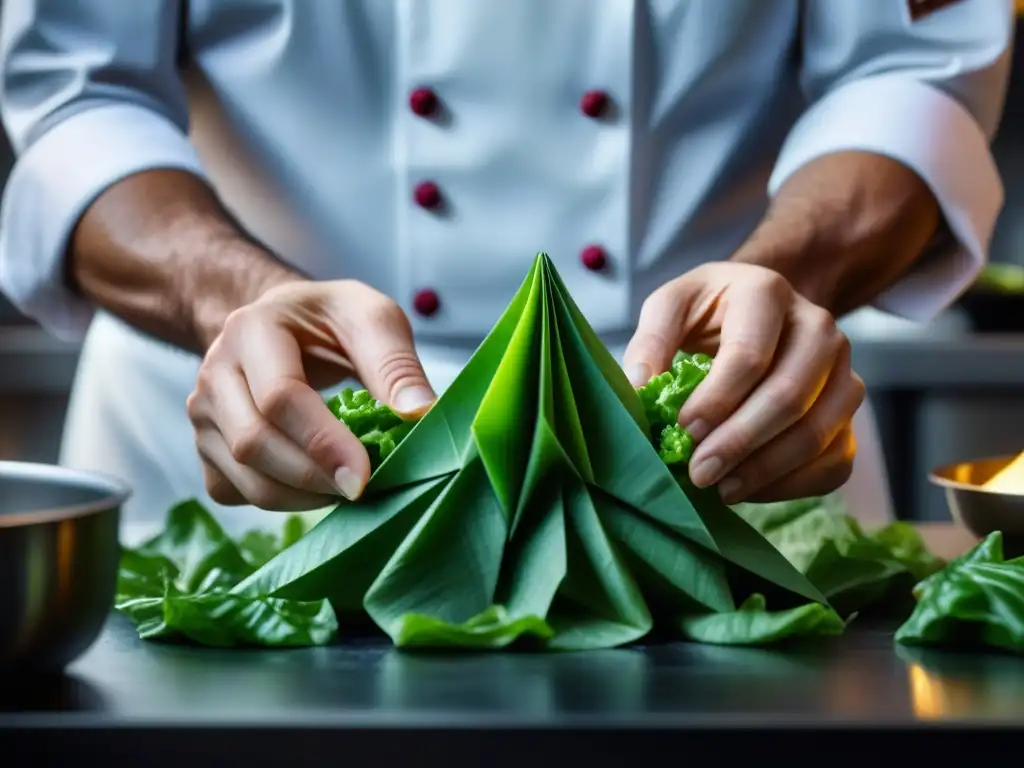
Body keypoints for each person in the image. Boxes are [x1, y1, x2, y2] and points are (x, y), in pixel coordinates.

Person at [0, 0, 1012, 537]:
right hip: (259, 428)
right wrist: (243, 303)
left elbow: (910, 77)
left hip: (723, 429)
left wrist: (779, 286)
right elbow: (77, 102)